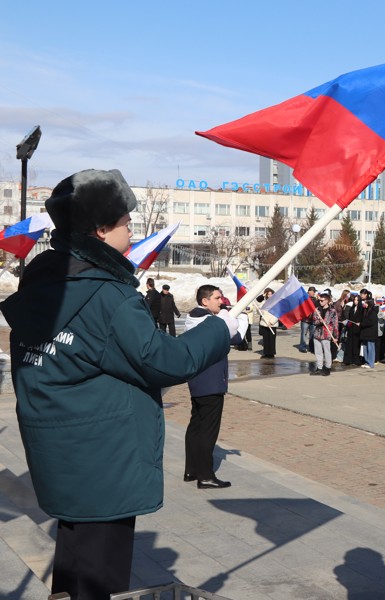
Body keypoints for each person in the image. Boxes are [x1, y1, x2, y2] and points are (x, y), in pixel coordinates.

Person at [0, 169, 236, 599]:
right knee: (99, 577)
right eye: (126, 221)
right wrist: (220, 328)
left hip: (63, 453)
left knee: (73, 564)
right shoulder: (109, 295)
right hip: (103, 458)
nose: (131, 228)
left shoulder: (46, 283)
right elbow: (166, 361)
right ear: (102, 229)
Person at [183, 285, 247, 489]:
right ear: (205, 301)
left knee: (196, 426)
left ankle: (192, 469)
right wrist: (242, 317)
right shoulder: (210, 321)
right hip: (210, 381)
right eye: (217, 298)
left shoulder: (194, 317)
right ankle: (205, 475)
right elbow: (236, 337)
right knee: (207, 431)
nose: (222, 301)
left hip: (198, 380)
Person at [311, 292, 339, 376]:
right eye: (319, 300)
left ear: (327, 300)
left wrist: (335, 336)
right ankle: (319, 367)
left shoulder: (332, 311)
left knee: (327, 351)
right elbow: (314, 321)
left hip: (327, 334)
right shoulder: (317, 310)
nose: (320, 302)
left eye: (322, 300)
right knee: (318, 352)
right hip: (317, 334)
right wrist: (319, 321)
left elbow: (335, 324)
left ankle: (327, 367)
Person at [357, 289, 379, 368]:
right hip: (365, 332)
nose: (364, 304)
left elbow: (371, 322)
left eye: (365, 303)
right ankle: (366, 361)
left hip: (371, 333)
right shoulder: (365, 310)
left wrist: (362, 324)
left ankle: (371, 362)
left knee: (370, 348)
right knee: (365, 347)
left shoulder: (372, 311)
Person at [257, 288, 279, 358]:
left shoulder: (275, 303)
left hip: (272, 324)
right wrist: (258, 310)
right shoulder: (264, 302)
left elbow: (277, 314)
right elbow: (260, 312)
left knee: (271, 339)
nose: (270, 295)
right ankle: (266, 353)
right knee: (265, 339)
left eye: (271, 294)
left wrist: (272, 322)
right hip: (264, 323)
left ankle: (271, 353)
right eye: (268, 294)